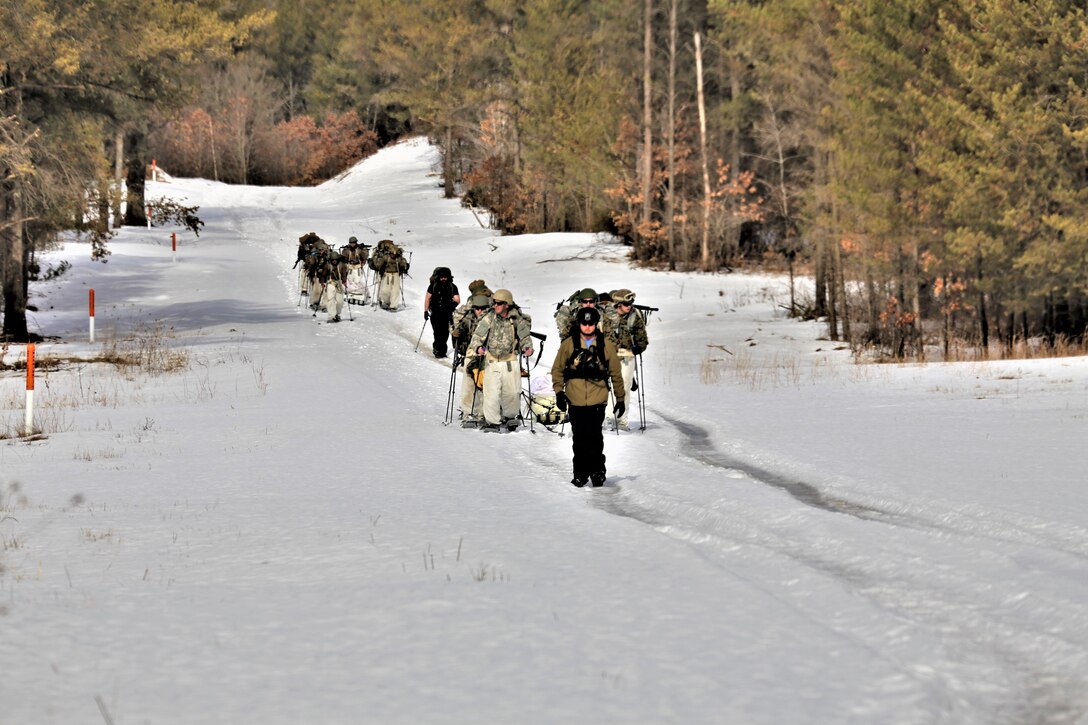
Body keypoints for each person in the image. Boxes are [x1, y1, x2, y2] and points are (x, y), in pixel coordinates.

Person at [551, 306, 625, 487]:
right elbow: (557, 370)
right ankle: (580, 474)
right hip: (575, 398)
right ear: (580, 324)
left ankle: (598, 471)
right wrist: (559, 393)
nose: (587, 327)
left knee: (594, 437)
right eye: (584, 323)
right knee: (579, 438)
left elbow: (616, 373)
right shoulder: (569, 344)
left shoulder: (605, 344)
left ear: (596, 324)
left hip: (597, 398)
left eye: (591, 323)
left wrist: (620, 398)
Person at [467, 288, 533, 432]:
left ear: (507, 304)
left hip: (510, 362)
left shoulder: (516, 319)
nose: (495, 305)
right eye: (494, 302)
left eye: (499, 303)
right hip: (492, 361)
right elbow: (477, 336)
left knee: (512, 392)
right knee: (491, 393)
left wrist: (527, 348)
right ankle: (492, 422)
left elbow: (525, 337)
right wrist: (478, 347)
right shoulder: (489, 317)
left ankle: (510, 417)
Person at [604, 288, 648, 429]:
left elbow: (642, 339)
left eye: (631, 304)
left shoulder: (634, 317)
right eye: (626, 304)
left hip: (627, 357)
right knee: (609, 387)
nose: (629, 307)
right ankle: (609, 418)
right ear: (618, 304)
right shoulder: (607, 315)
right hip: (609, 356)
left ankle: (622, 420)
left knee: (625, 387)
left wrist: (637, 348)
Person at [452, 294, 492, 427]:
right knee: (469, 386)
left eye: (483, 308)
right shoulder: (468, 317)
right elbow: (459, 331)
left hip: (487, 355)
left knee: (483, 385)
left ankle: (482, 414)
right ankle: (468, 413)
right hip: (471, 353)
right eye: (477, 308)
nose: (479, 311)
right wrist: (456, 332)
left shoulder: (492, 319)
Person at [424, 267, 460, 358]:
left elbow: (457, 299)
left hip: (447, 313)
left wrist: (453, 305)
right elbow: (427, 298)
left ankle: (442, 350)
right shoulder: (433, 285)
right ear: (438, 277)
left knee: (445, 333)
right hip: (435, 313)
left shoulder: (452, 286)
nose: (443, 279)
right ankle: (438, 350)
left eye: (445, 277)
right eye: (441, 277)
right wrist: (425, 311)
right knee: (437, 331)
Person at [368, 239, 409, 310]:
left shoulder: (399, 259)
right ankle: (386, 302)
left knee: (395, 291)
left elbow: (404, 265)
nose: (393, 254)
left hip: (395, 275)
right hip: (386, 275)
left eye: (394, 253)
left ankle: (393, 306)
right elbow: (379, 265)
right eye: (392, 253)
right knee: (384, 290)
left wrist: (404, 267)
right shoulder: (386, 257)